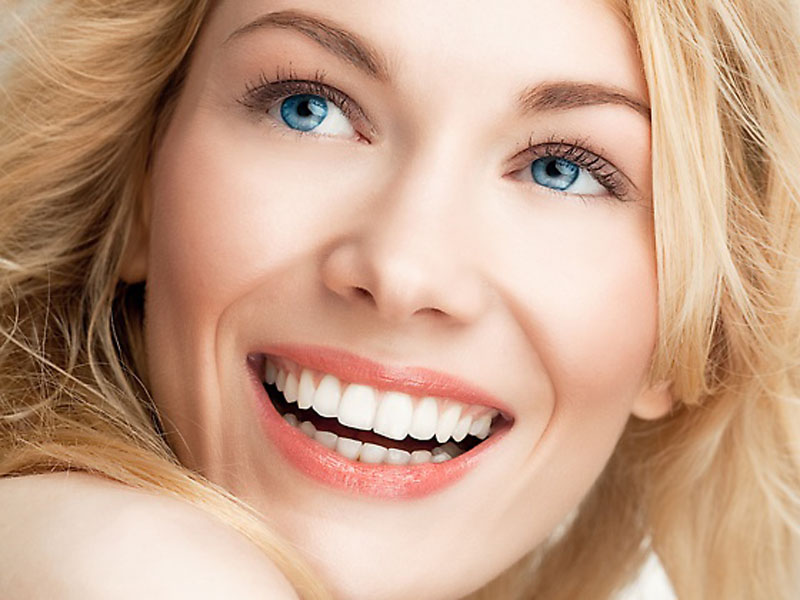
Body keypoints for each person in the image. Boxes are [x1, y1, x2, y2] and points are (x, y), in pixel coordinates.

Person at [1, 1, 798, 599]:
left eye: (561, 169)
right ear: (142, 187)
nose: (402, 272)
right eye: (307, 109)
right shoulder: (124, 569)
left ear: (692, 320)